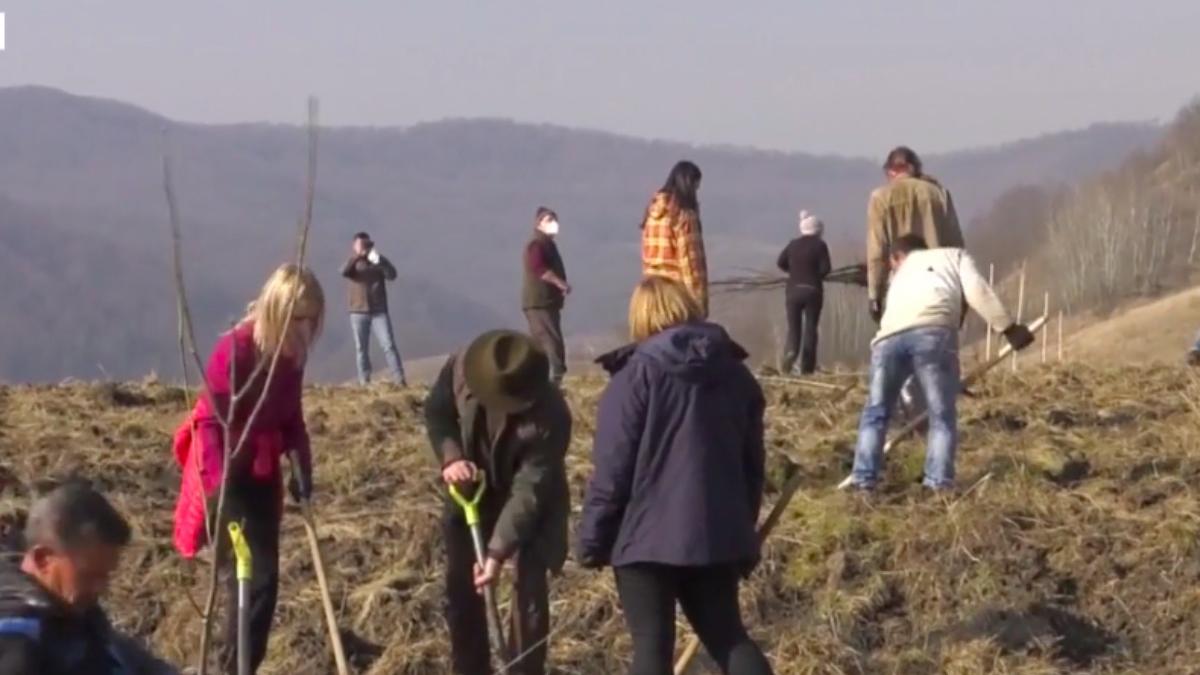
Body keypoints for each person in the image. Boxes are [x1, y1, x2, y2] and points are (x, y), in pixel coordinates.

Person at [578, 276, 774, 675]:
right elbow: (753, 466)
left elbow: (614, 469)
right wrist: (742, 530)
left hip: (644, 538)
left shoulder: (634, 378)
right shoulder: (737, 377)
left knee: (651, 647)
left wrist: (592, 539)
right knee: (728, 637)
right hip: (716, 533)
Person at [170, 263, 324, 674]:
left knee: (265, 586)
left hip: (262, 473)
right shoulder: (235, 351)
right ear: (276, 311)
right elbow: (209, 424)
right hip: (226, 473)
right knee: (245, 579)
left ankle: (243, 666)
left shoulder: (292, 358)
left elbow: (291, 418)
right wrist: (220, 489)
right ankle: (228, 666)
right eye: (297, 318)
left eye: (311, 320)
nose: (304, 329)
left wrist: (301, 466)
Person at [424, 330, 572, 675]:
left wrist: (496, 552)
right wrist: (451, 457)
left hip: (533, 503)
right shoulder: (462, 367)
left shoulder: (551, 415)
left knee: (528, 594)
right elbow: (437, 412)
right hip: (470, 490)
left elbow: (529, 490)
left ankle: (523, 668)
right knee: (463, 593)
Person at [848, 236, 1034, 492]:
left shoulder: (899, 273)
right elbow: (978, 291)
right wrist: (1008, 327)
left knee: (876, 412)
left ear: (896, 258)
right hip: (933, 334)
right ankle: (936, 484)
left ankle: (862, 481)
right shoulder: (954, 256)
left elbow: (881, 290)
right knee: (941, 413)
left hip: (887, 341)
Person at [0, 481, 177, 674]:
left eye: (105, 575)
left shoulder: (67, 609)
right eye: (90, 576)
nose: (101, 588)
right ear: (43, 559)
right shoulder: (18, 641)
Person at [866, 146, 965, 323]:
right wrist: (961, 292)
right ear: (915, 168)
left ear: (890, 171)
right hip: (937, 281)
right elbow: (956, 246)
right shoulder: (938, 193)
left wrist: (874, 295)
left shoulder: (879, 198)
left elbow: (876, 251)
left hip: (899, 284)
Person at [641, 160, 709, 316]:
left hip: (650, 296)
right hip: (676, 299)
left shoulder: (652, 214)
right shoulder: (684, 216)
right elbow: (692, 265)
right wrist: (699, 306)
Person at [342, 231, 407, 386]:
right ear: (354, 246)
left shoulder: (377, 260)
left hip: (378, 310)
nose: (364, 247)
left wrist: (379, 261)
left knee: (388, 345)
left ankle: (399, 379)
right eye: (360, 244)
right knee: (361, 348)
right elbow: (344, 271)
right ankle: (364, 381)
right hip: (358, 310)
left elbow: (392, 275)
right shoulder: (352, 263)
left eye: (366, 244)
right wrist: (358, 256)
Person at [776, 210, 832, 375]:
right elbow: (825, 269)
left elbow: (780, 262)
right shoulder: (820, 245)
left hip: (793, 291)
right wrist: (816, 275)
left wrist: (792, 271)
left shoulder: (793, 244)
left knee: (794, 328)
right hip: (813, 291)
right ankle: (807, 367)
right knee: (810, 328)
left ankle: (790, 354)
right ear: (818, 230)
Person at [522, 207, 570, 385]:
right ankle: (555, 379)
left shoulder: (546, 244)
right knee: (551, 341)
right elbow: (539, 268)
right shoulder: (537, 244)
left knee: (541, 342)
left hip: (545, 302)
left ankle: (537, 381)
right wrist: (560, 283)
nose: (553, 224)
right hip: (540, 301)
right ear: (539, 223)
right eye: (548, 220)